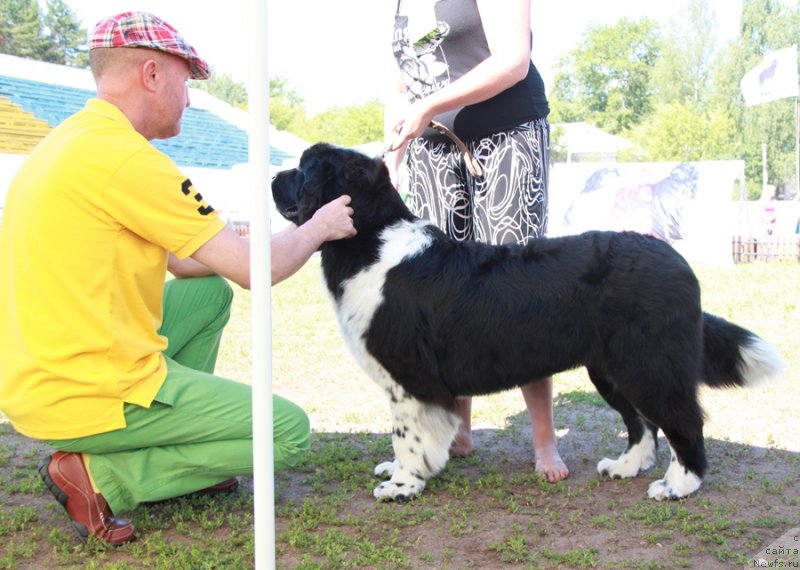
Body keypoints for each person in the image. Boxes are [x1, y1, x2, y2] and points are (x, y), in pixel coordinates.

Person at [0, 12, 356, 546]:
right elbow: (259, 272)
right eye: (185, 81)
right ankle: (104, 477)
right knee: (287, 432)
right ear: (151, 75)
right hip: (85, 388)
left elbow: (192, 263)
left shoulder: (71, 142)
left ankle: (178, 453)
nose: (189, 99)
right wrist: (319, 228)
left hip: (39, 376)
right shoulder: (129, 161)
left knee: (207, 293)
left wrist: (245, 240)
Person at [384, 0, 568, 483]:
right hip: (430, 146)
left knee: (518, 290)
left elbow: (513, 60)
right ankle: (458, 429)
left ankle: (544, 438)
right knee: (440, 294)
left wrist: (428, 105)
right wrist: (393, 154)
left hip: (506, 136)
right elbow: (402, 83)